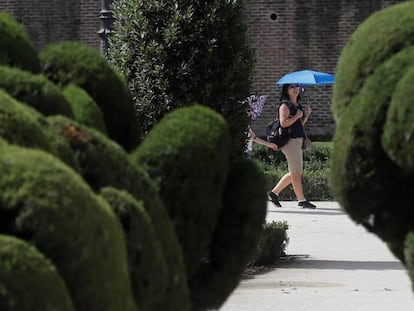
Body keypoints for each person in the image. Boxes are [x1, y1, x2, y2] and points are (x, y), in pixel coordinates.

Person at [268, 83, 316, 209]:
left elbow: (298, 124)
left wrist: (306, 115)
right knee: (296, 172)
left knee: (295, 171)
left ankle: (274, 193)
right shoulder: (285, 105)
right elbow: (283, 123)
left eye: (297, 87)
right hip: (290, 142)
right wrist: (297, 116)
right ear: (287, 90)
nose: (295, 89)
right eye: (292, 87)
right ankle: (301, 200)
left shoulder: (297, 106)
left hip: (297, 141)